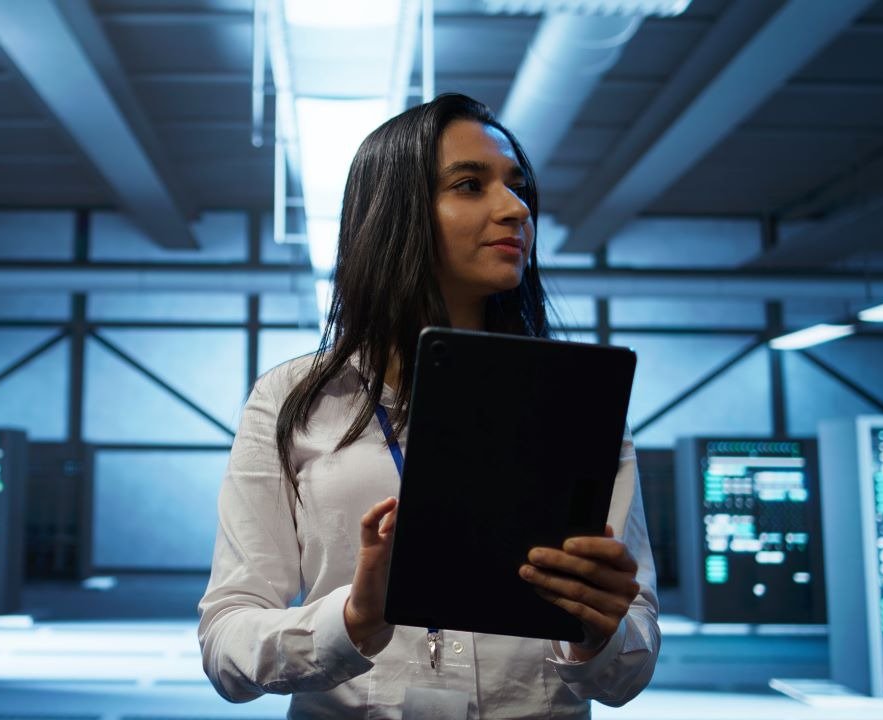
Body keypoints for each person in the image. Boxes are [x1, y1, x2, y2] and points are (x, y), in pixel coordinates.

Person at [197, 93, 659, 719]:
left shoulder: (579, 405)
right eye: (470, 184)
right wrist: (354, 618)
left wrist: (600, 632)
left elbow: (629, 668)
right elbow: (226, 640)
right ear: (395, 215)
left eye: (518, 187)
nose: (516, 208)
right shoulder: (293, 401)